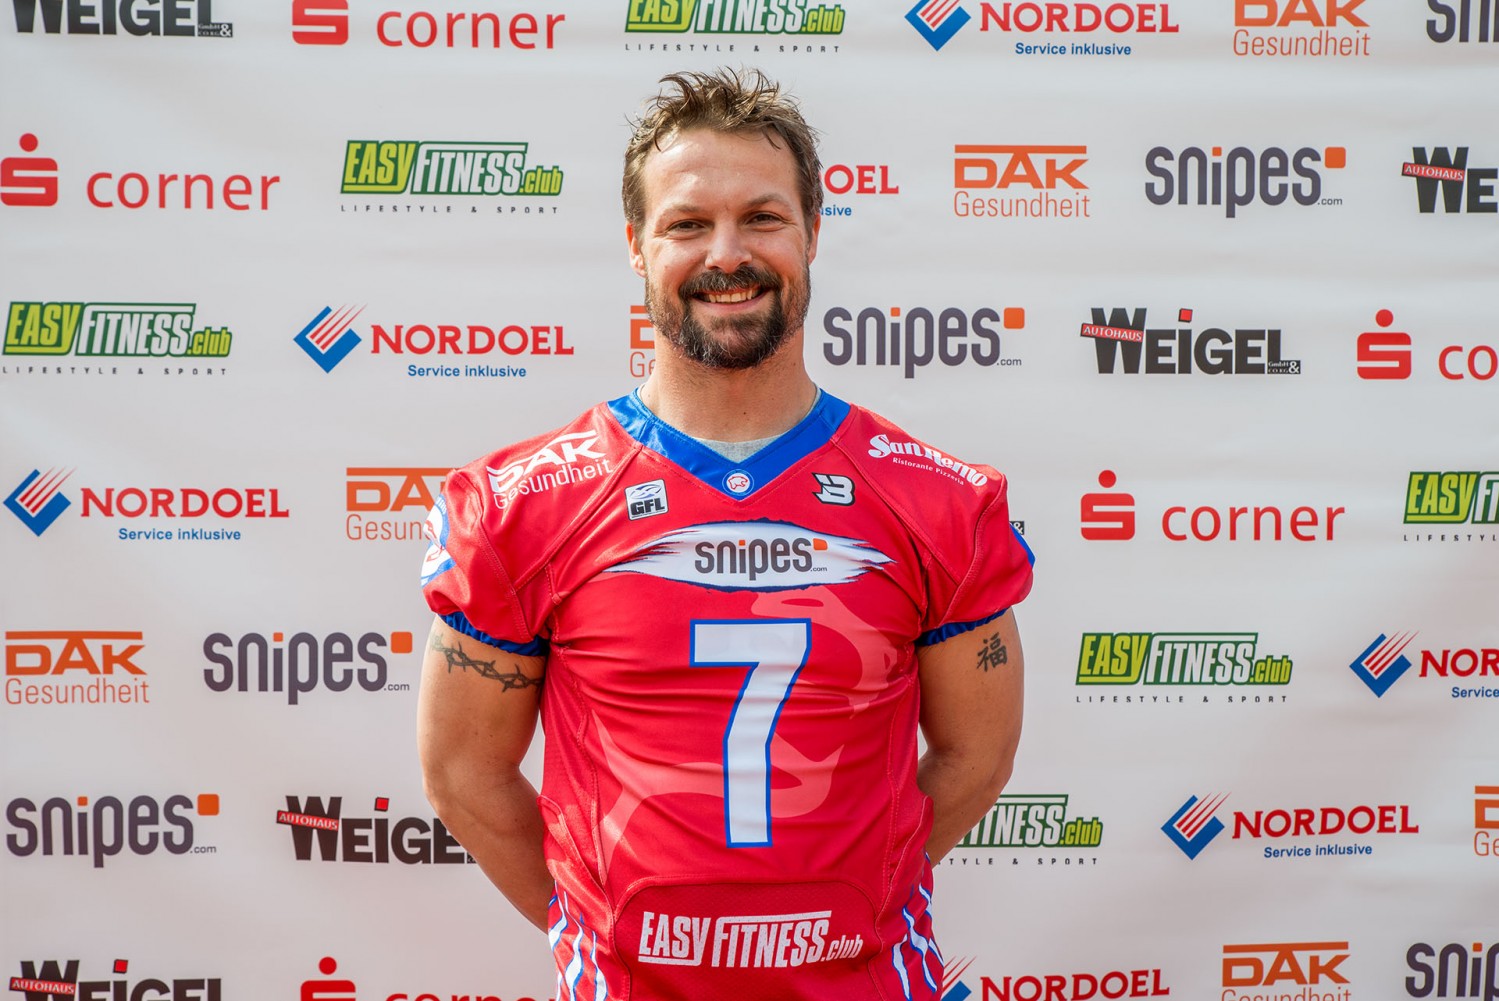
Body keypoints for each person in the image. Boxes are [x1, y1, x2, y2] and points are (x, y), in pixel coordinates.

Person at [417, 68, 1034, 1001]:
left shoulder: (935, 500)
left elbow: (975, 756)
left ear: (813, 231)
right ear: (636, 244)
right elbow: (464, 770)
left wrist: (855, 904)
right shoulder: (522, 506)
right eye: (687, 224)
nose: (727, 253)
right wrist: (599, 925)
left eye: (762, 217)